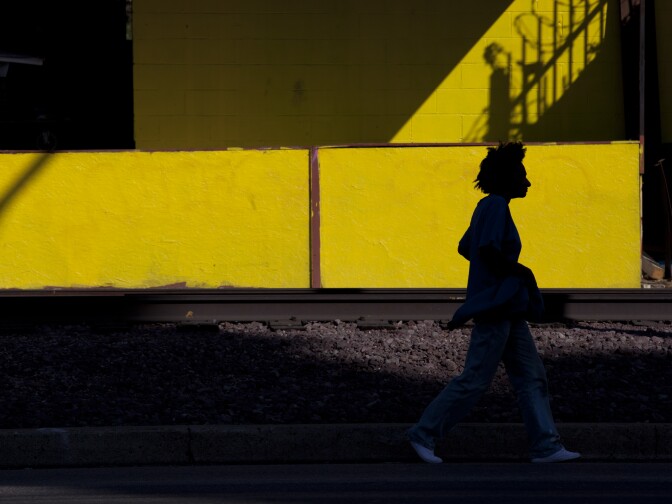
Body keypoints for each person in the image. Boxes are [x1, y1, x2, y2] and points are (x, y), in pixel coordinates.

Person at [406, 141, 580, 464]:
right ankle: (423, 434)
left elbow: (466, 247)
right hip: (497, 308)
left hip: (507, 309)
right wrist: (522, 274)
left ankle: (546, 445)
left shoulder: (486, 207)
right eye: (522, 175)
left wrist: (491, 277)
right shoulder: (497, 206)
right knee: (474, 379)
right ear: (507, 176)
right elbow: (485, 250)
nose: (527, 182)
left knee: (531, 375)